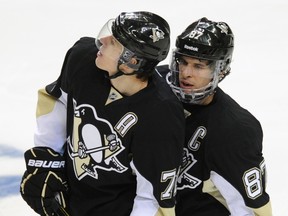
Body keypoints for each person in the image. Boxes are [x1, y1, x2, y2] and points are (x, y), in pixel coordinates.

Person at [19, 11, 185, 216]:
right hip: (70, 197)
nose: (102, 40)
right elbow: (57, 99)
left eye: (114, 42)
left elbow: (152, 198)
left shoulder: (161, 115)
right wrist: (47, 158)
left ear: (131, 61)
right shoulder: (82, 58)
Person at [157, 17, 273, 215]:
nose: (186, 73)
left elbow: (251, 206)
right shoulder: (155, 84)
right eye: (183, 62)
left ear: (221, 71)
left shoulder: (234, 130)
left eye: (199, 66)